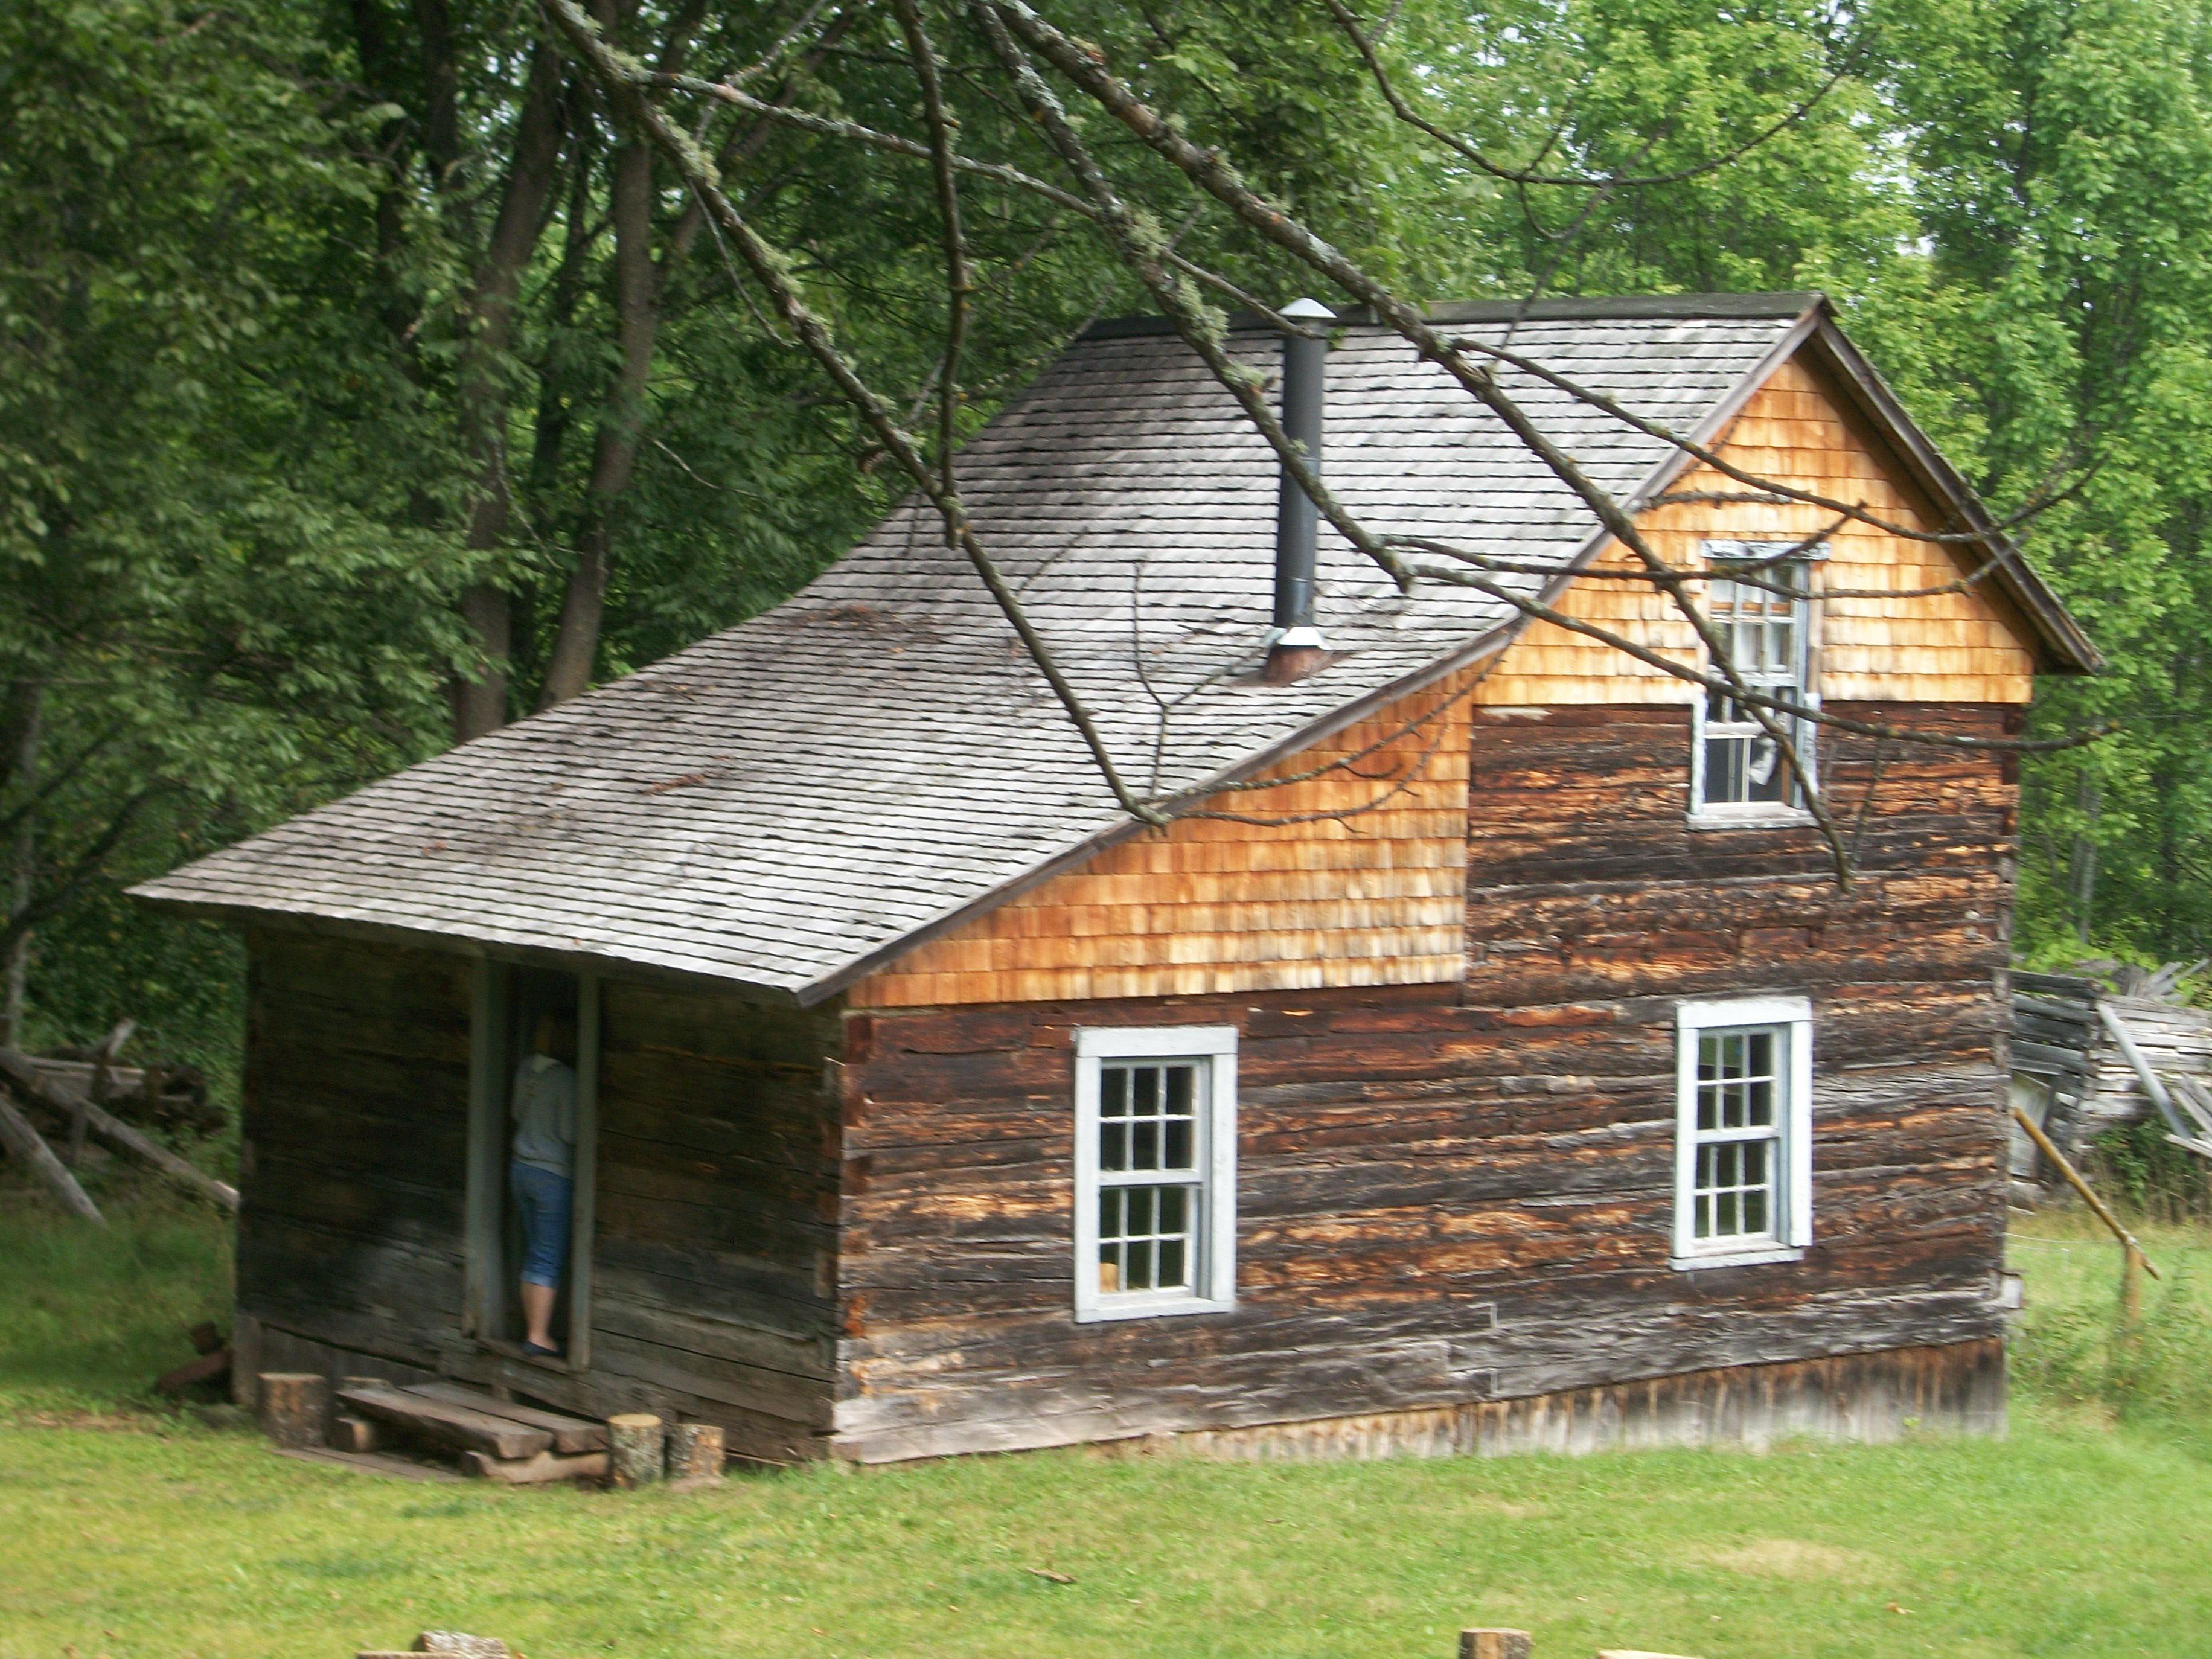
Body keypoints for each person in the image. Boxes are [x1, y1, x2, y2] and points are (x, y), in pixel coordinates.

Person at [509, 1010, 578, 1356]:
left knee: (534, 1253)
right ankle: (538, 1335)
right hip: (552, 1175)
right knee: (547, 1257)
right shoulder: (566, 1078)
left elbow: (517, 1114)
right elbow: (570, 1132)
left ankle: (533, 1330)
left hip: (521, 1170)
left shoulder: (526, 1069)